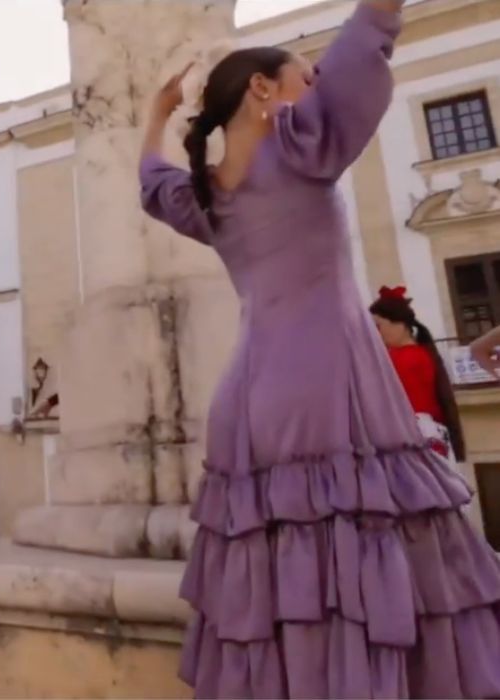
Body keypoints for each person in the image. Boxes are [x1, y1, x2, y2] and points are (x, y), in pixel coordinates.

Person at [138, 0, 500, 696]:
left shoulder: (208, 195)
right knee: (368, 560)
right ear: (262, 90)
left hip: (249, 399)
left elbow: (151, 185)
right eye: (303, 75)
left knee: (278, 578)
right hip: (332, 381)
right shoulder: (301, 145)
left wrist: (156, 116)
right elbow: (367, 39)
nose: (314, 84)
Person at [369, 285, 465, 461]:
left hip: (410, 439)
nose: (375, 333)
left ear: (400, 324)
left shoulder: (402, 359)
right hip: (429, 437)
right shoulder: (422, 354)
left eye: (378, 326)